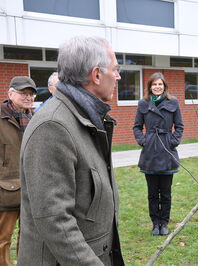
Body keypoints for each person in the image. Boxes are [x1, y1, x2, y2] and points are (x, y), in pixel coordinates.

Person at [18, 36, 125, 265]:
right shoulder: (53, 126)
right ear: (96, 75)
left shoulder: (86, 117)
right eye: (115, 69)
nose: (118, 76)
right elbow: (55, 221)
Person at [133, 72, 184, 236]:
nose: (157, 87)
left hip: (167, 151)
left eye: (160, 84)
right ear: (150, 87)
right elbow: (136, 126)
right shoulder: (143, 103)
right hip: (150, 153)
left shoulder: (173, 102)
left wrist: (172, 141)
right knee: (153, 193)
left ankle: (164, 223)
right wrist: (143, 141)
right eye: (154, 84)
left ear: (164, 86)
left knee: (166, 193)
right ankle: (155, 223)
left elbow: (180, 126)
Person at [0, 76, 36, 266]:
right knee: (3, 238)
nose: (28, 97)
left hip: (32, 186)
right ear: (10, 93)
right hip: (6, 187)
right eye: (23, 93)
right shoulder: (1, 116)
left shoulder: (35, 117)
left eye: (31, 94)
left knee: (29, 236)